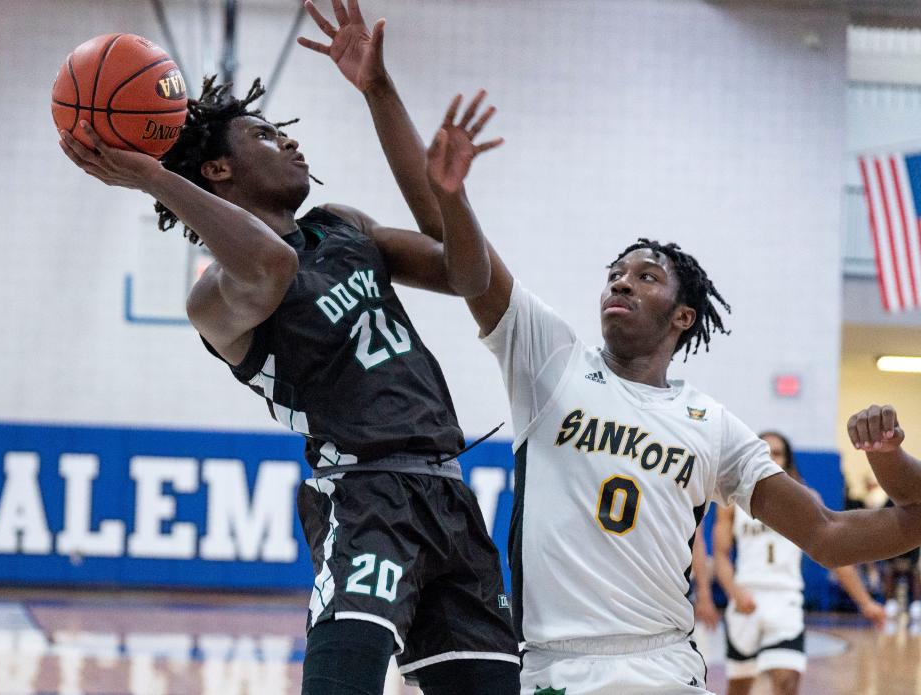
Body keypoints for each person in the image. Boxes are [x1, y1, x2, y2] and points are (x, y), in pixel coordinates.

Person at [57, 3, 521, 693]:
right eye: (267, 135)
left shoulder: (342, 226)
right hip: (367, 500)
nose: (293, 144)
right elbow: (270, 267)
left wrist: (382, 96)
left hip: (451, 495)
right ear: (216, 170)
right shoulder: (214, 296)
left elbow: (467, 272)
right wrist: (153, 175)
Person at [390, 120, 921, 691]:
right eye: (615, 276)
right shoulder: (551, 363)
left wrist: (888, 459)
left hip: (664, 664)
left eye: (645, 277)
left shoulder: (713, 426)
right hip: (553, 665)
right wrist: (437, 174)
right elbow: (464, 263)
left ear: (682, 316)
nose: (621, 284)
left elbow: (828, 534)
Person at [713, 431, 886, 695]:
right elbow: (721, 556)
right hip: (745, 598)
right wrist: (734, 591)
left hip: (785, 600)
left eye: (778, 452)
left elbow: (833, 554)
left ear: (788, 459)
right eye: (765, 451)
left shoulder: (806, 499)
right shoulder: (733, 501)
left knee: (787, 682)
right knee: (738, 688)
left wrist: (865, 602)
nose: (771, 457)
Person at [847, 405, 921, 634]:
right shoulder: (880, 501)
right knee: (891, 572)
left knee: (915, 573)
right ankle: (892, 603)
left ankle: (916, 605)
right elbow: (829, 538)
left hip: (911, 549)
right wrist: (885, 453)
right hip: (892, 544)